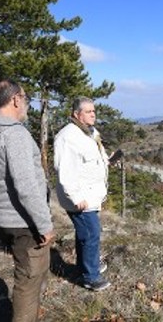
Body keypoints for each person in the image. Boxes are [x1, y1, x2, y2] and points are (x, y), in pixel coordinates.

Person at [0, 79, 55, 322]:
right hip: (24, 222)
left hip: (1, 218)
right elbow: (26, 186)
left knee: (27, 274)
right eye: (26, 99)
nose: (27, 105)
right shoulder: (14, 133)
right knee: (27, 282)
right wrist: (44, 224)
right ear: (15, 99)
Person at [54, 96, 111, 291]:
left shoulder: (89, 132)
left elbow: (94, 158)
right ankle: (90, 276)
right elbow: (65, 171)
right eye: (89, 111)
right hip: (80, 198)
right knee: (91, 233)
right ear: (77, 114)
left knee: (84, 234)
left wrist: (108, 161)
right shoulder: (67, 137)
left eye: (94, 111)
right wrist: (76, 198)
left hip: (91, 195)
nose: (93, 114)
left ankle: (85, 266)